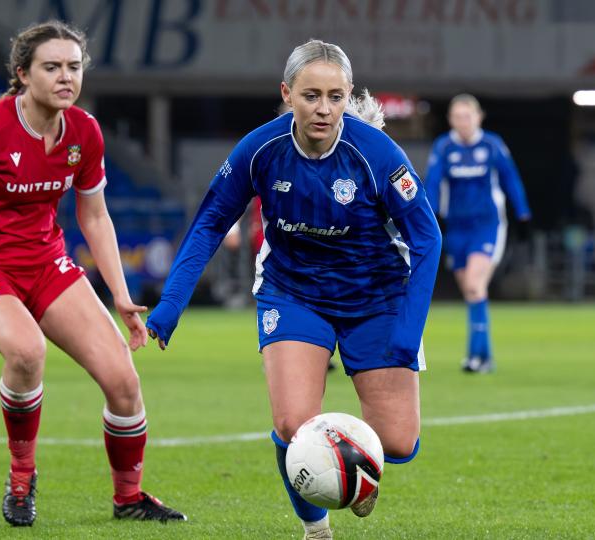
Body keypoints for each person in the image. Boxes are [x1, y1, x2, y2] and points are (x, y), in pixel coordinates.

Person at [145, 39, 441, 539]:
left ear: (348, 95)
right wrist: (171, 303)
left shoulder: (376, 155)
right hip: (293, 291)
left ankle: (348, 462)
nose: (323, 109)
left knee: (398, 443)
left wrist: (409, 333)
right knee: (292, 425)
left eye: (334, 96)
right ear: (287, 94)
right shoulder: (261, 149)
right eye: (310, 95)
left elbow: (428, 239)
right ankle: (317, 530)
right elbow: (212, 221)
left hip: (377, 298)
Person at [0, 20, 185, 526]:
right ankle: (20, 478)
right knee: (27, 351)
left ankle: (128, 497)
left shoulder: (84, 131)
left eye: (73, 67)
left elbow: (94, 215)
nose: (65, 77)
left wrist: (120, 295)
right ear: (23, 74)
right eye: (51, 67)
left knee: (123, 379)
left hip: (46, 263)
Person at [424, 94, 531, 374]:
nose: (463, 122)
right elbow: (433, 182)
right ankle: (485, 356)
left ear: (478, 117)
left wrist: (523, 213)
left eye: (467, 116)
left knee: (474, 284)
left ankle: (475, 356)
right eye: (457, 117)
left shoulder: (492, 144)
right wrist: (429, 215)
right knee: (472, 292)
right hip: (457, 228)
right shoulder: (444, 146)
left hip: (487, 225)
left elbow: (510, 178)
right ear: (450, 120)